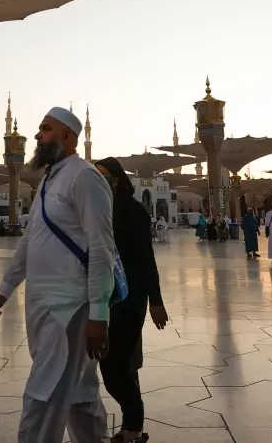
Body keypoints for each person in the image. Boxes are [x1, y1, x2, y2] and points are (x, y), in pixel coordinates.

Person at [0, 107, 114, 443]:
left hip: (69, 308)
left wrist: (99, 313)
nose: (38, 135)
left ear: (68, 136)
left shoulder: (84, 177)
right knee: (80, 396)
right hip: (42, 305)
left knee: (43, 396)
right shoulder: (48, 181)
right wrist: (5, 288)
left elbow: (101, 247)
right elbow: (31, 240)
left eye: (45, 129)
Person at [95, 158, 168, 443]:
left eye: (103, 177)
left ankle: (134, 426)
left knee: (115, 365)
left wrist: (156, 301)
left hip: (131, 296)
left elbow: (146, 258)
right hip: (108, 295)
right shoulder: (103, 209)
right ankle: (131, 427)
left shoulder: (132, 210)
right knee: (120, 363)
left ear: (115, 180)